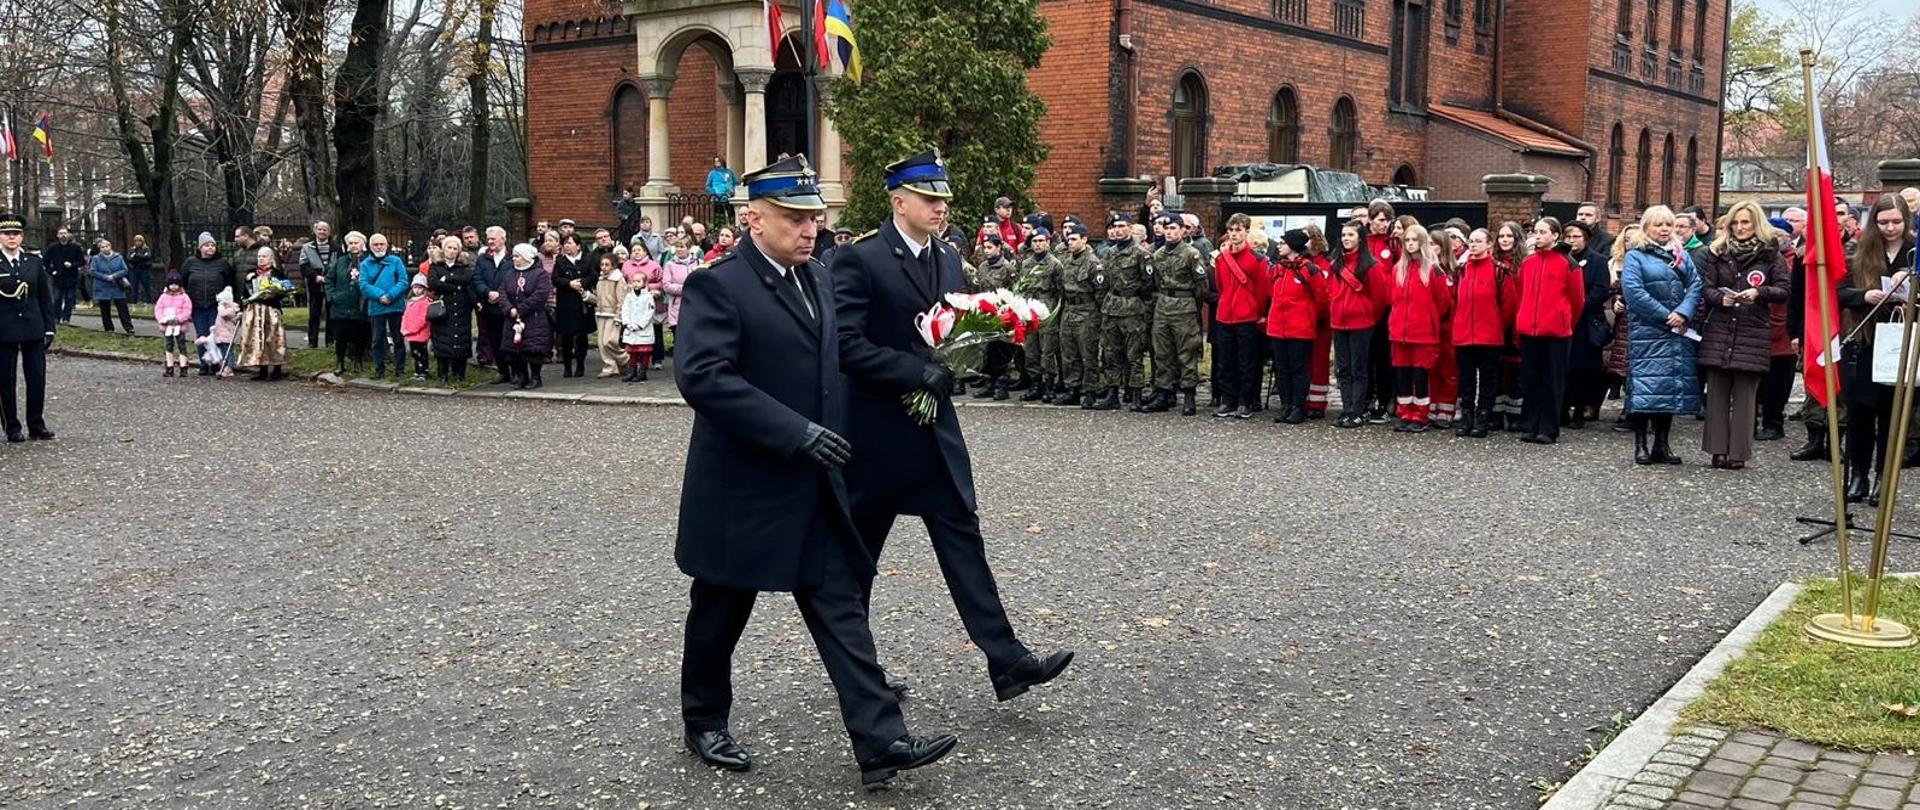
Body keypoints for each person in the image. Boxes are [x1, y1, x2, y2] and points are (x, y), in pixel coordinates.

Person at [674, 154, 954, 785]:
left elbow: (836, 372)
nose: (810, 228)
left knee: (838, 603)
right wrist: (794, 432)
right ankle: (705, 719)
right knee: (721, 606)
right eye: (795, 217)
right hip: (744, 484)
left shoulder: (820, 278)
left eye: (816, 217)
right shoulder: (719, 284)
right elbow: (704, 378)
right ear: (754, 219)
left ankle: (880, 741)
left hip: (815, 478)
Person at [831, 149, 1073, 704]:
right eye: (929, 198)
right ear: (898, 201)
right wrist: (913, 370)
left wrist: (994, 346)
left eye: (943, 199)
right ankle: (858, 673)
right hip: (877, 434)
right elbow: (844, 345)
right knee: (858, 560)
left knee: (963, 540)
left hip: (933, 429)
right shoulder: (861, 259)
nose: (941, 207)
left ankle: (1007, 661)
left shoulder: (946, 259)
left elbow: (954, 327)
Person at [1696, 201, 1789, 470]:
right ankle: (1717, 449)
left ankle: (1738, 451)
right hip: (1721, 328)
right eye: (1736, 223)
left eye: (1745, 222)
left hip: (1752, 328)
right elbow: (1706, 287)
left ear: (1756, 223)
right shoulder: (1718, 252)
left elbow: (1783, 289)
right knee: (1717, 392)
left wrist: (1760, 293)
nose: (1740, 227)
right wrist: (1718, 298)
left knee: (1746, 396)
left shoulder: (1771, 255)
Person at [1837, 195, 1917, 504]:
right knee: (1860, 412)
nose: (1890, 228)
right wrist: (1864, 296)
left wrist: (1912, 281)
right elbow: (1840, 291)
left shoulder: (1914, 251)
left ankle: (1884, 476)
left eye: (1896, 221)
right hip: (1866, 339)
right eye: (1884, 222)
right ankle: (1858, 474)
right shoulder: (1859, 251)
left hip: (1902, 341)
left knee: (1891, 414)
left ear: (1906, 220)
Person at [1622, 205, 1704, 466]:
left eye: (1668, 224)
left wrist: (1683, 312)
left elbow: (1696, 284)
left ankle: (1662, 444)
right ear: (1646, 227)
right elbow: (1634, 292)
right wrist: (1665, 315)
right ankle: (1641, 445)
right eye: (1658, 224)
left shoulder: (1681, 256)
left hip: (1677, 331)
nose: (1664, 229)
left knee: (1669, 388)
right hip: (1649, 331)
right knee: (1646, 388)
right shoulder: (1636, 256)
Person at [1387, 224, 1449, 432]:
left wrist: (1429, 320)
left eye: (1414, 240)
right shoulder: (1398, 269)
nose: (1411, 244)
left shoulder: (1433, 270)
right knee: (1402, 376)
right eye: (1407, 240)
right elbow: (1393, 299)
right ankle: (1405, 412)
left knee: (1420, 376)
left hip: (1423, 334)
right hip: (1400, 333)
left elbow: (1443, 303)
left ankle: (1421, 415)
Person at [0, 214, 55, 442]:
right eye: (6, 234)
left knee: (36, 378)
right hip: (3, 329)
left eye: (16, 234)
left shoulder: (33, 262)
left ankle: (36, 423)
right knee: (5, 380)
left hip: (33, 327)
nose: (11, 238)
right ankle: (12, 426)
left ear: (22, 236)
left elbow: (44, 297)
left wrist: (49, 328)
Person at [1145, 215, 1208, 415]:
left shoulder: (1192, 254)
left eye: (1173, 228)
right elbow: (1154, 281)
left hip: (1185, 306)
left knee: (1186, 352)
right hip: (1163, 305)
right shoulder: (1158, 254)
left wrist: (1190, 303)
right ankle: (1165, 392)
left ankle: (1189, 394)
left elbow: (1202, 286)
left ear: (1182, 230)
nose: (1169, 232)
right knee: (1162, 352)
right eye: (1166, 229)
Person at [1452, 228, 1511, 438]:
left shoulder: (1499, 271)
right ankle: (1467, 415)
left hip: (1489, 335)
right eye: (1471, 241)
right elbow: (1454, 300)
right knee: (1466, 378)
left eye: (1478, 241)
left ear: (1488, 245)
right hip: (1464, 333)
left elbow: (1507, 305)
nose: (1474, 245)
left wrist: (1495, 325)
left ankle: (1483, 415)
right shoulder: (1461, 270)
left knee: (1487, 379)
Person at [1093, 212, 1155, 411]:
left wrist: (1136, 301)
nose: (1118, 230)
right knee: (1111, 353)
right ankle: (1113, 394)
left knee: (1134, 354)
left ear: (1130, 228)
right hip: (1112, 307)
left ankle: (1135, 394)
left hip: (1132, 308)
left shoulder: (1141, 254)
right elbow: (1102, 282)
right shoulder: (1108, 253)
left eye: (1122, 226)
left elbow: (1148, 284)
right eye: (1115, 227)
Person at [1212, 213, 1270, 418]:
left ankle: (1246, 401)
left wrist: (1258, 312)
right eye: (1231, 230)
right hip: (1225, 315)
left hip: (1246, 316)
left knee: (1247, 361)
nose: (1234, 234)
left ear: (1246, 232)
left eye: (1238, 230)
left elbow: (1263, 290)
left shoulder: (1257, 259)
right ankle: (1229, 399)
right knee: (1226, 361)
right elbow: (1220, 285)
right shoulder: (1221, 259)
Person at [1265, 228, 1326, 424]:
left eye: (1283, 243)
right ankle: (1286, 405)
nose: (1279, 246)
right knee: (1282, 369)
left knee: (1298, 368)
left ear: (1293, 246)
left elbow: (1322, 298)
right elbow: (1270, 293)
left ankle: (1298, 407)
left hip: (1300, 328)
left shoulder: (1309, 269)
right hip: (1277, 327)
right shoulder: (1277, 269)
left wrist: (1310, 317)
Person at [1562, 220, 1612, 428]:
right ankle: (1563, 409)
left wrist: (1579, 305)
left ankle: (1580, 411)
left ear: (1586, 239)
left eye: (1577, 237)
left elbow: (1601, 289)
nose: (1572, 241)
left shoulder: (1597, 260)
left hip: (1586, 321)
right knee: (1564, 367)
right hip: (1564, 320)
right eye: (1569, 237)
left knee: (1584, 369)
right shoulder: (1562, 259)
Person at [1328, 220, 1378, 428]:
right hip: (1339, 322)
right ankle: (1347, 408)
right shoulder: (1336, 264)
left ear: (1360, 238)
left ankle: (1357, 410)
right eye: (1344, 235)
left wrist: (1364, 311)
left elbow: (1379, 297)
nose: (1346, 239)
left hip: (1361, 323)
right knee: (1343, 369)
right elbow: (1329, 290)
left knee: (1359, 368)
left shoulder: (1371, 265)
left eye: (1351, 235)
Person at [1054, 222, 1103, 407]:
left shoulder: (1093, 263)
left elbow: (1100, 291)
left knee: (1088, 353)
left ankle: (1090, 390)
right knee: (1069, 353)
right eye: (1068, 239)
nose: (1070, 243)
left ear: (1084, 239)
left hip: (1087, 311)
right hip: (1069, 310)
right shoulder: (1066, 261)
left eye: (1074, 239)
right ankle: (1072, 389)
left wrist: (1095, 315)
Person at [497, 243, 555, 389]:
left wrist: (521, 309)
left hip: (533, 318)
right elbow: (502, 292)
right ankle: (522, 376)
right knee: (515, 350)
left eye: (517, 256)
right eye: (514, 256)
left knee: (533, 350)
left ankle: (536, 377)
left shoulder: (540, 274)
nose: (514, 259)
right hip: (512, 318)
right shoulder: (510, 273)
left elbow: (540, 295)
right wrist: (509, 308)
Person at [1019, 229, 1065, 403]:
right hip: (1030, 308)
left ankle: (1049, 385)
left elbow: (1060, 289)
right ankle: (1035, 384)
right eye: (1034, 241)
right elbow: (1022, 286)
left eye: (1041, 240)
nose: (1037, 244)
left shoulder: (1055, 264)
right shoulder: (1026, 263)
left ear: (1048, 242)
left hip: (1047, 307)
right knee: (1031, 349)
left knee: (1048, 350)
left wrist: (1055, 312)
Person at [359, 233, 412, 381]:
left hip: (395, 305)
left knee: (398, 338)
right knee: (377, 340)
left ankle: (400, 369)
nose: (379, 247)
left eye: (381, 244)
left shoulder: (396, 261)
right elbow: (364, 285)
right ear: (370, 247)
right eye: (375, 244)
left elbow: (403, 281)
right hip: (376, 307)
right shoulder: (365, 264)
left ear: (386, 245)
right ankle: (379, 369)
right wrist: (380, 295)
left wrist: (390, 295)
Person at [236, 246, 292, 381]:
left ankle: (277, 369)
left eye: (264, 256)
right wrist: (241, 308)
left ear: (271, 258)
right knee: (257, 338)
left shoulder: (276, 273)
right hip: (254, 310)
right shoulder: (251, 273)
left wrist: (273, 295)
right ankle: (262, 369)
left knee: (273, 338)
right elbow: (244, 292)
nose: (261, 259)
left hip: (270, 309)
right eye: (259, 256)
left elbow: (283, 291)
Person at [427, 235, 475, 383]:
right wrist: (455, 286)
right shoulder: (436, 266)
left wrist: (447, 279)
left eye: (455, 248)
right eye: (449, 247)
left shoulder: (463, 266)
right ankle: (442, 373)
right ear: (443, 248)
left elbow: (467, 280)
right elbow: (433, 283)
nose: (452, 251)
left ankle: (459, 373)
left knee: (461, 339)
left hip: (461, 307)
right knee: (442, 339)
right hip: (443, 307)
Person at [550, 234, 595, 378]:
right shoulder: (560, 261)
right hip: (566, 302)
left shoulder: (587, 259)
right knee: (566, 336)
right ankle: (567, 366)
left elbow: (593, 276)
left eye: (570, 243)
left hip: (582, 302)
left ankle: (580, 365)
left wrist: (582, 283)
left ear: (578, 245)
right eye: (565, 243)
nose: (567, 246)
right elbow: (555, 279)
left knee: (581, 336)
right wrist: (569, 284)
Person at [326, 232, 370, 375]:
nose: (353, 246)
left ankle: (358, 361)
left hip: (360, 304)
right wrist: (332, 296)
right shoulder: (340, 261)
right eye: (350, 243)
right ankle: (340, 363)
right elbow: (329, 279)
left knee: (360, 334)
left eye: (356, 243)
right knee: (340, 335)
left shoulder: (368, 261)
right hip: (341, 304)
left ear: (363, 245)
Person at [473, 226, 511, 382]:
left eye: (493, 239)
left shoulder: (511, 257)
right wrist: (487, 292)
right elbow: (477, 279)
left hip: (507, 306)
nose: (490, 242)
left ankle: (516, 372)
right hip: (489, 306)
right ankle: (503, 372)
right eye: (488, 239)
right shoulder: (483, 259)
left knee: (509, 340)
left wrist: (501, 295)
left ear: (503, 239)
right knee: (494, 341)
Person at [298, 221, 337, 348]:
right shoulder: (307, 247)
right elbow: (304, 266)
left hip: (331, 283)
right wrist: (315, 276)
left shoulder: (336, 247)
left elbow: (338, 264)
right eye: (319, 229)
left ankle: (330, 341)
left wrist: (329, 277)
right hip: (314, 283)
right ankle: (312, 341)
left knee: (331, 313)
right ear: (315, 231)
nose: (322, 232)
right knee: (314, 313)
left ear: (329, 232)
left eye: (325, 230)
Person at [592, 252, 629, 378]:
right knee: (601, 343)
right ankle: (610, 366)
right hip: (601, 313)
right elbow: (598, 297)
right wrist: (587, 296)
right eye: (602, 264)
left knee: (609, 341)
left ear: (613, 266)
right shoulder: (600, 279)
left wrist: (619, 316)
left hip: (613, 314)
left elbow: (621, 299)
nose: (604, 267)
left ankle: (625, 358)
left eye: (607, 265)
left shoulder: (618, 279)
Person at [89, 239, 135, 335]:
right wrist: (105, 277)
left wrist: (114, 276)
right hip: (103, 286)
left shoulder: (118, 257)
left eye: (107, 246)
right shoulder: (96, 259)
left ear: (110, 246)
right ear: (100, 249)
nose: (105, 248)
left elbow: (125, 269)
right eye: (102, 247)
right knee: (105, 309)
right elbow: (93, 271)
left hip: (116, 285)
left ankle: (129, 328)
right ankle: (109, 328)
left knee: (122, 307)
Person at [618, 268, 655, 382]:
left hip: (643, 330)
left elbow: (649, 313)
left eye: (638, 281)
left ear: (644, 283)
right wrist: (627, 323)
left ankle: (642, 372)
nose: (635, 283)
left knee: (644, 352)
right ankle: (632, 371)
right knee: (633, 353)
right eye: (634, 281)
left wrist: (639, 325)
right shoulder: (629, 296)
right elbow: (625, 310)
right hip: (631, 329)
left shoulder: (648, 297)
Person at [154, 272, 193, 377]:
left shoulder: (184, 297)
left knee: (181, 345)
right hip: (167, 326)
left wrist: (179, 319)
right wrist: (162, 319)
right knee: (168, 346)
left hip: (179, 326)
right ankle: (169, 367)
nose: (174, 287)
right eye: (171, 284)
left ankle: (183, 367)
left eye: (176, 284)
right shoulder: (163, 297)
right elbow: (158, 309)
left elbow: (187, 310)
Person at [42, 227, 83, 324]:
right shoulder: (53, 247)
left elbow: (82, 261)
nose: (63, 235)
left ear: (68, 235)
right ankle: (56, 317)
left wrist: (72, 265)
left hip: (71, 277)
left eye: (65, 233)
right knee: (57, 298)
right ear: (57, 235)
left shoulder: (76, 248)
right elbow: (45, 261)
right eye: (61, 233)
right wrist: (52, 271)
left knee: (69, 299)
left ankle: (66, 318)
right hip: (58, 278)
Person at [704, 156, 738, 221]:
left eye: (718, 161)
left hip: (729, 197)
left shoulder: (729, 172)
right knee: (719, 216)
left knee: (731, 215)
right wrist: (714, 193)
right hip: (718, 198)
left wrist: (733, 190)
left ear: (722, 161)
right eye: (715, 161)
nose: (716, 163)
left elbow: (735, 183)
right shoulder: (712, 173)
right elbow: (707, 186)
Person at [126, 234, 154, 304]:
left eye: (139, 241)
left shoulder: (146, 249)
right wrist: (140, 258)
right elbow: (129, 258)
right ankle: (133, 303)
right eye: (136, 241)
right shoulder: (132, 249)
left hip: (144, 270)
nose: (137, 242)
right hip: (134, 270)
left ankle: (149, 303)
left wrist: (136, 256)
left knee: (147, 287)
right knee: (134, 288)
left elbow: (147, 257)